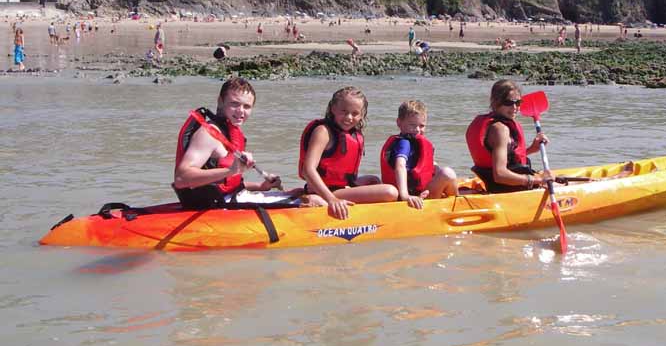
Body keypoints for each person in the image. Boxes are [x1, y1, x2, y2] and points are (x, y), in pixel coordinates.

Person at [174, 78, 313, 209]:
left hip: (231, 198)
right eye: (235, 104)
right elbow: (181, 178)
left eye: (247, 106)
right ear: (220, 101)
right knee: (314, 202)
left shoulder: (230, 131)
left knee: (300, 193)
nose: (241, 111)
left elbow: (227, 184)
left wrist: (260, 187)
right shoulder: (208, 134)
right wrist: (231, 171)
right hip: (218, 206)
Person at [299, 86, 398, 219]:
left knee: (373, 180)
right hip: (325, 190)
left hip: (339, 187)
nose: (349, 117)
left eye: (355, 113)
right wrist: (331, 199)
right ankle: (318, 199)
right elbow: (308, 170)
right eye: (344, 111)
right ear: (333, 108)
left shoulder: (352, 133)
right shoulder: (323, 131)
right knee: (390, 192)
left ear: (362, 115)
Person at [465, 79, 551, 193]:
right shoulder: (500, 130)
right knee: (560, 182)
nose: (515, 107)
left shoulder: (491, 124)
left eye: (518, 102)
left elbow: (503, 158)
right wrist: (536, 179)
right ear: (496, 103)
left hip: (497, 185)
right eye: (509, 103)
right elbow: (500, 174)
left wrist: (530, 149)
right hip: (507, 189)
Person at [380, 101, 458, 209]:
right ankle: (457, 205)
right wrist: (405, 195)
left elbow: (428, 165)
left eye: (421, 126)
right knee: (447, 174)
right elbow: (400, 166)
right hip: (412, 198)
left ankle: (453, 200)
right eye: (412, 125)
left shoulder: (416, 142)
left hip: (420, 193)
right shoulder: (404, 143)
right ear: (399, 123)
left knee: (443, 172)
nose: (417, 129)